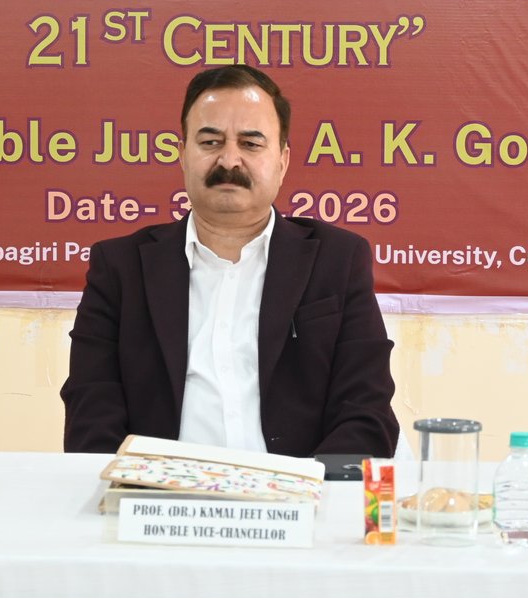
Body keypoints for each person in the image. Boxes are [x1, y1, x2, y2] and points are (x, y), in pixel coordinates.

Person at [60, 65, 399, 458]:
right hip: (156, 492)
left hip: (298, 491)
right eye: (210, 141)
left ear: (282, 160)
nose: (229, 160)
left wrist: (303, 489)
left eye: (251, 143)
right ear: (183, 155)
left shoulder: (337, 261)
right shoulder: (120, 268)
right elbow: (91, 415)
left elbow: (366, 413)